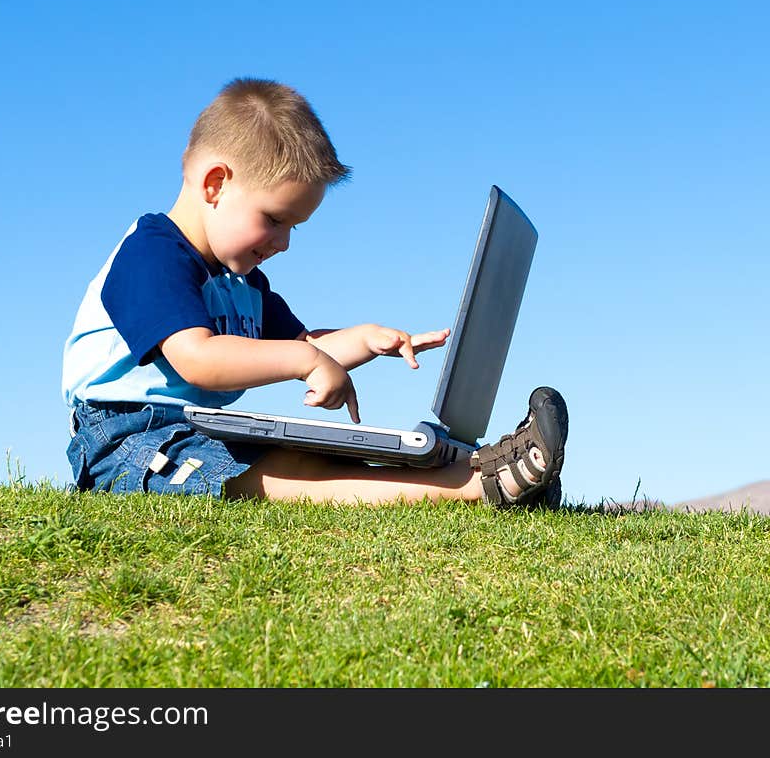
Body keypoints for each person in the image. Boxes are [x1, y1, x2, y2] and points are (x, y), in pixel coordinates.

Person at [62, 78, 568, 507]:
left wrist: (365, 340)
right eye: (275, 220)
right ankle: (472, 487)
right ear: (215, 184)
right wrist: (306, 363)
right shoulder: (151, 255)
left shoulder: (243, 283)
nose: (282, 244)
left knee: (323, 455)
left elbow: (306, 348)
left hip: (199, 428)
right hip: (128, 438)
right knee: (278, 474)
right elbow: (199, 358)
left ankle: (491, 466)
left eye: (293, 228)